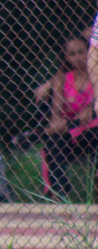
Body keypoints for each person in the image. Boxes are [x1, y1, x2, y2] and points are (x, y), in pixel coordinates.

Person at [41, 36, 98, 200]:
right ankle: (59, 193)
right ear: (66, 58)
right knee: (53, 144)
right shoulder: (62, 79)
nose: (78, 57)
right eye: (72, 54)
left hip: (93, 128)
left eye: (81, 52)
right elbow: (57, 115)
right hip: (73, 132)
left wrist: (90, 108)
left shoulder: (95, 75)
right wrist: (58, 124)